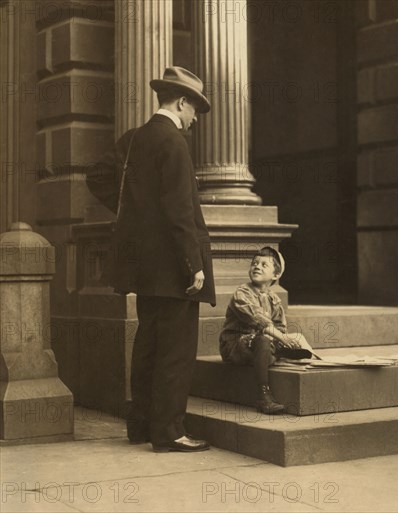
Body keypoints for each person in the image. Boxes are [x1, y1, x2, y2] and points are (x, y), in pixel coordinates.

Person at [87, 66, 216, 453]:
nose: (194, 120)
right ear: (181, 102)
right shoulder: (173, 142)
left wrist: (136, 217)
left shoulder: (134, 138)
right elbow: (179, 210)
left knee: (148, 345)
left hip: (143, 267)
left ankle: (141, 426)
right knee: (175, 352)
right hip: (175, 267)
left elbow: (96, 177)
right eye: (194, 110)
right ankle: (170, 432)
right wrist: (194, 264)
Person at [219, 247, 303, 414]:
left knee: (283, 342)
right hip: (236, 345)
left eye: (264, 265)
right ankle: (263, 395)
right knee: (264, 340)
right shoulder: (242, 293)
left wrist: (285, 339)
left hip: (260, 342)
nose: (257, 266)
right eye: (254, 263)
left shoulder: (274, 299)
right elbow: (258, 319)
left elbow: (279, 327)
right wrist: (281, 338)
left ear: (275, 275)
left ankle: (269, 354)